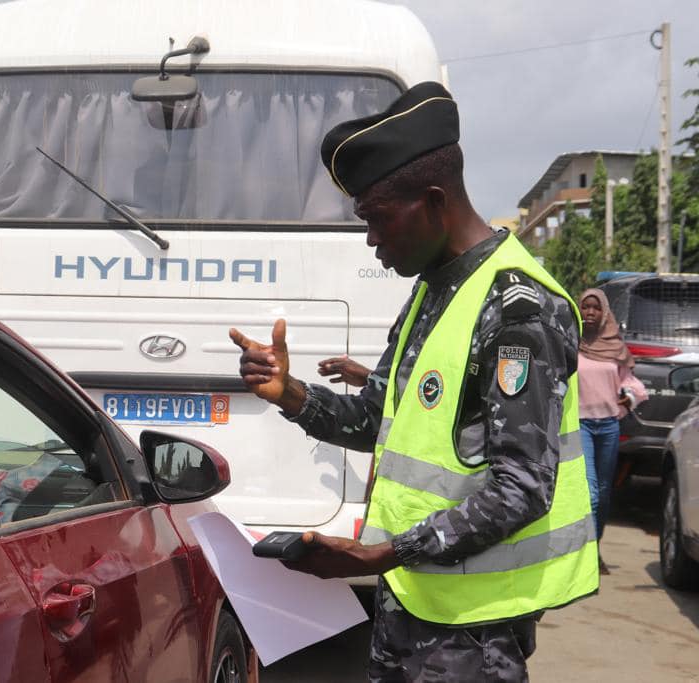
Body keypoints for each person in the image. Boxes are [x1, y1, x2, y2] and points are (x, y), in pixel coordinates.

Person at [228, 82, 598, 681]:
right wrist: (290, 394)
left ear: (432, 201)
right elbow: (376, 419)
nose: (371, 241)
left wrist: (386, 551)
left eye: (376, 219)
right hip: (410, 602)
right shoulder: (431, 291)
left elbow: (522, 486)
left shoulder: (517, 310)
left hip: (474, 630)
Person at [577, 288, 647, 573]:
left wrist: (626, 398)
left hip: (607, 427)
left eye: (596, 308)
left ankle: (595, 547)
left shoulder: (615, 347)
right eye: (585, 307)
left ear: (604, 312)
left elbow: (633, 385)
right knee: (591, 493)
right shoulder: (571, 343)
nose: (590, 313)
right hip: (580, 425)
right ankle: (586, 555)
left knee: (604, 494)